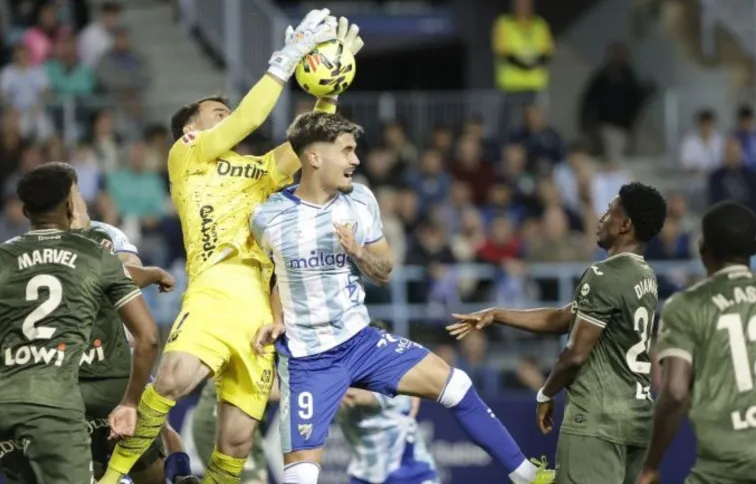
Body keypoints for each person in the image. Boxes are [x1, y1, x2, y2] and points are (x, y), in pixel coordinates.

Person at [97, 11, 354, 484]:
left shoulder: (258, 170)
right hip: (214, 290)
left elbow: (310, 147)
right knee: (172, 380)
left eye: (228, 114)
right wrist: (287, 58)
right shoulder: (187, 156)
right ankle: (109, 481)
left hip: (258, 310)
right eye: (219, 115)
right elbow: (254, 115)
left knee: (235, 441)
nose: (231, 119)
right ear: (191, 130)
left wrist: (328, 94)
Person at [249, 111, 554, 484]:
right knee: (301, 477)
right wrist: (277, 319)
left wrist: (359, 253)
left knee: (455, 384)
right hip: (308, 361)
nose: (355, 160)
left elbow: (386, 269)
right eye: (346, 151)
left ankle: (528, 476)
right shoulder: (268, 215)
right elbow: (277, 276)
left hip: (361, 341)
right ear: (314, 157)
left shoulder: (360, 200)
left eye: (355, 151)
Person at [0, 162, 160, 484]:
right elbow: (149, 338)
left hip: (1, 408)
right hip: (55, 403)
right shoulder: (95, 255)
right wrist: (130, 401)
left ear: (25, 210)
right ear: (71, 206)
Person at [449, 182, 668, 484]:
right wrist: (497, 314)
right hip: (637, 418)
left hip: (597, 419)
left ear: (625, 225)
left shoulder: (604, 275)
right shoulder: (646, 276)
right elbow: (564, 317)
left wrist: (546, 391)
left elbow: (575, 352)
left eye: (609, 212)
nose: (601, 218)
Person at [637, 200, 756, 484]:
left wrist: (649, 464)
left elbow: (676, 392)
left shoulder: (686, 306)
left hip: (725, 467)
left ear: (704, 248)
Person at [70, 209, 181, 484]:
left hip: (101, 366)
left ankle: (182, 473)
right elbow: (126, 274)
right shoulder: (58, 243)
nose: (82, 208)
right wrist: (154, 273)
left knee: (158, 433)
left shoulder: (102, 232)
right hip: (85, 373)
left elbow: (129, 266)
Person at [338, 321, 439, 484]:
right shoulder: (343, 377)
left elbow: (356, 397)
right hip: (364, 475)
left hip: (411, 474)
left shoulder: (395, 378)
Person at [191, 379, 279, 484]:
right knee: (250, 480)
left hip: (249, 424)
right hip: (222, 418)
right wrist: (299, 386)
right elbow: (252, 382)